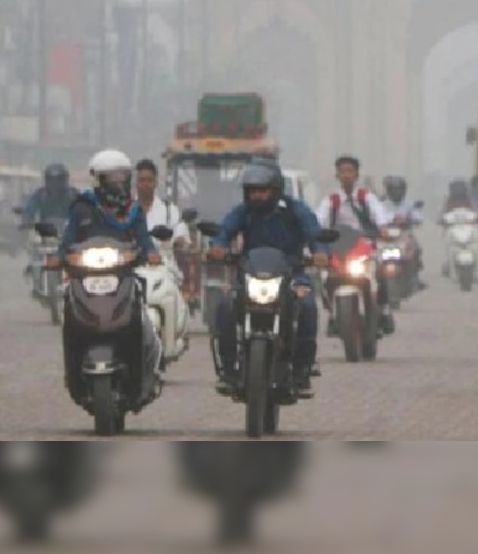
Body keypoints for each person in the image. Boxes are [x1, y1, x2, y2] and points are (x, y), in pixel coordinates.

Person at [208, 160, 329, 397]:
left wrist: (320, 253)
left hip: (292, 274)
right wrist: (218, 247)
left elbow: (314, 234)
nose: (258, 195)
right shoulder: (243, 211)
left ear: (276, 190)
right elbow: (223, 232)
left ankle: (302, 370)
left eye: (263, 190)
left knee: (306, 305)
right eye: (253, 190)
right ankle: (229, 370)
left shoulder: (295, 209)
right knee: (225, 304)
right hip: (249, 276)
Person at [58, 149, 162, 403]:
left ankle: (145, 369)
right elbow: (67, 242)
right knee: (69, 314)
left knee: (142, 316)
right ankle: (73, 372)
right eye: (111, 178)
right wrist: (58, 257)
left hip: (123, 275)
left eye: (122, 177)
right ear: (98, 180)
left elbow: (145, 241)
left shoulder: (133, 211)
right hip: (85, 277)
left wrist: (150, 253)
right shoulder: (82, 209)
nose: (118, 183)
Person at [314, 156, 394, 335]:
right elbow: (318, 222)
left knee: (380, 271)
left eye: (350, 171)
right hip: (338, 249)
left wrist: (383, 229)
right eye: (342, 172)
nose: (346, 175)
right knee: (324, 276)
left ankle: (385, 310)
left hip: (364, 248)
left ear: (357, 174)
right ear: (337, 175)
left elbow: (379, 216)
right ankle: (333, 315)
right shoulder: (331, 201)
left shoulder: (366, 198)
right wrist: (314, 234)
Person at [135, 159, 191, 285]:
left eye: (149, 180)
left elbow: (181, 237)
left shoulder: (169, 210)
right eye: (142, 180)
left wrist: (177, 241)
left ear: (155, 183)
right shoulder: (126, 211)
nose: (145, 184)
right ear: (136, 183)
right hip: (134, 271)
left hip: (166, 272)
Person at [382, 175, 427, 289]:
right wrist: (393, 218)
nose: (396, 192)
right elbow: (376, 216)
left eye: (399, 189)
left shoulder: (409, 204)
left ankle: (414, 276)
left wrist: (413, 219)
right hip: (386, 236)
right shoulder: (382, 204)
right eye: (393, 189)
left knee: (416, 248)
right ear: (388, 190)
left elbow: (417, 216)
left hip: (404, 234)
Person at [20, 163, 78, 229]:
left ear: (65, 179)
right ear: (46, 180)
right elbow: (30, 209)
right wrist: (26, 220)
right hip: (45, 232)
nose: (55, 184)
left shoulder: (73, 195)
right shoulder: (40, 195)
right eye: (51, 180)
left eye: (59, 180)